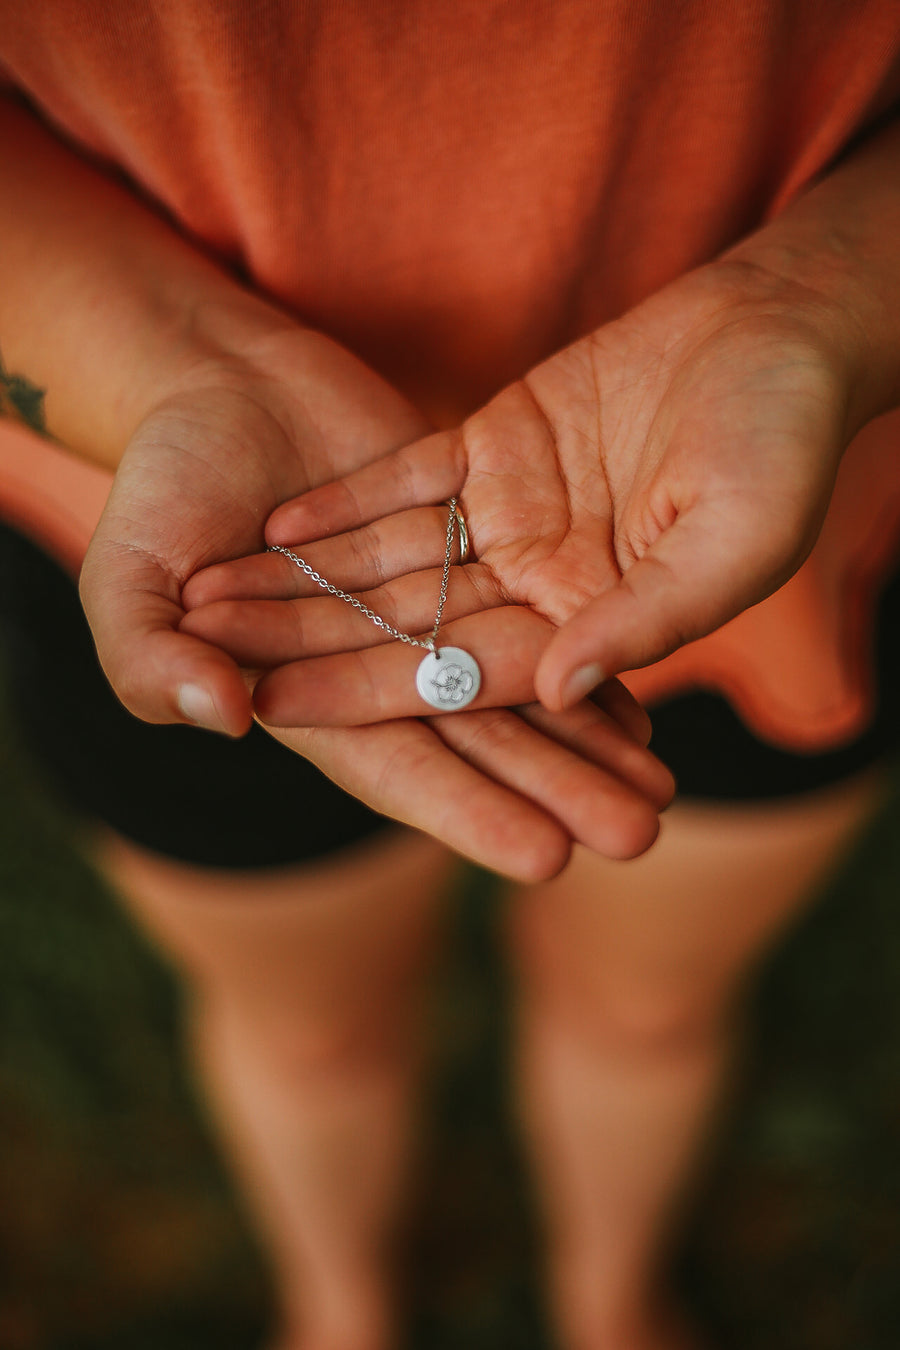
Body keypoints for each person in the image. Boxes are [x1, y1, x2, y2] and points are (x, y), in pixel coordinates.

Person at [2, 4, 900, 1347]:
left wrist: (822, 295)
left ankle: (609, 1294)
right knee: (304, 1033)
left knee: (654, 1009)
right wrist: (162, 357)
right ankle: (340, 1303)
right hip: (205, 546)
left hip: (789, 513)